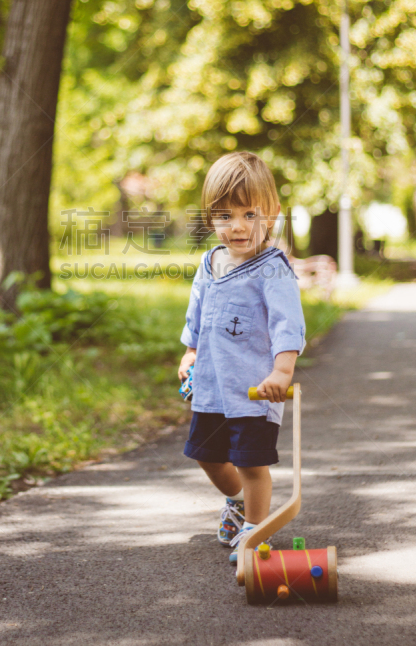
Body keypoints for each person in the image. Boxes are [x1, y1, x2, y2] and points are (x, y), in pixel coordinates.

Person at [178, 151, 306, 562]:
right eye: (224, 216)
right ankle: (236, 504)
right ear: (210, 217)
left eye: (249, 214)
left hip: (253, 390)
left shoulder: (273, 269)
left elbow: (288, 324)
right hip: (213, 387)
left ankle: (255, 532)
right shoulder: (210, 261)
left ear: (272, 214)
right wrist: (191, 350)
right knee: (208, 457)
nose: (237, 226)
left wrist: (282, 371)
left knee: (251, 465)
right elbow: (197, 312)